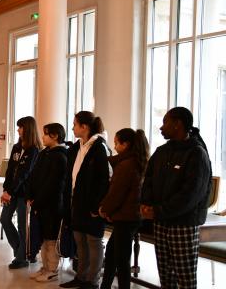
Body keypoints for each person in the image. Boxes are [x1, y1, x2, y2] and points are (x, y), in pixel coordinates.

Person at [140, 107, 212, 289]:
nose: (161, 128)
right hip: (160, 221)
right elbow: (148, 179)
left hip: (183, 223)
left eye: (165, 122)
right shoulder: (162, 151)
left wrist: (159, 210)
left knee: (185, 278)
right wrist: (146, 204)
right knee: (165, 276)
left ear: (178, 124)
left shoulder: (197, 153)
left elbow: (191, 194)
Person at [60, 111, 110, 289]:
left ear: (85, 127)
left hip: (91, 205)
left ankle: (92, 280)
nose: (72, 127)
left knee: (94, 243)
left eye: (75, 124)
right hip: (76, 202)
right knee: (80, 240)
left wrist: (97, 206)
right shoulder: (77, 146)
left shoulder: (99, 147)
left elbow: (105, 179)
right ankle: (81, 277)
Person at [99, 129, 150, 289]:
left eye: (116, 143)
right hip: (129, 216)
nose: (114, 147)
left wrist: (105, 209)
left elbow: (117, 192)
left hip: (126, 217)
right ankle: (105, 285)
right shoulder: (135, 161)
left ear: (125, 144)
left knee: (121, 259)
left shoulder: (126, 164)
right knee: (113, 254)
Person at [26, 123, 69, 282]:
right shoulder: (45, 153)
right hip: (39, 203)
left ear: (55, 136)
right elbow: (33, 175)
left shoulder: (61, 156)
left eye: (45, 134)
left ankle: (52, 269)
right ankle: (44, 267)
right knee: (43, 237)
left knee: (51, 239)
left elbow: (53, 184)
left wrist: (38, 200)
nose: (42, 137)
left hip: (52, 205)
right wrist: (30, 195)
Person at [0, 116, 42, 269]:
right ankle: (21, 252)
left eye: (20, 127)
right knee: (4, 219)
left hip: (24, 194)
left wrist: (9, 192)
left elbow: (24, 174)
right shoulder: (17, 147)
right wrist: (6, 189)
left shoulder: (35, 150)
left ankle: (21, 258)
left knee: (22, 225)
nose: (18, 129)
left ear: (28, 129)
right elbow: (10, 170)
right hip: (11, 192)